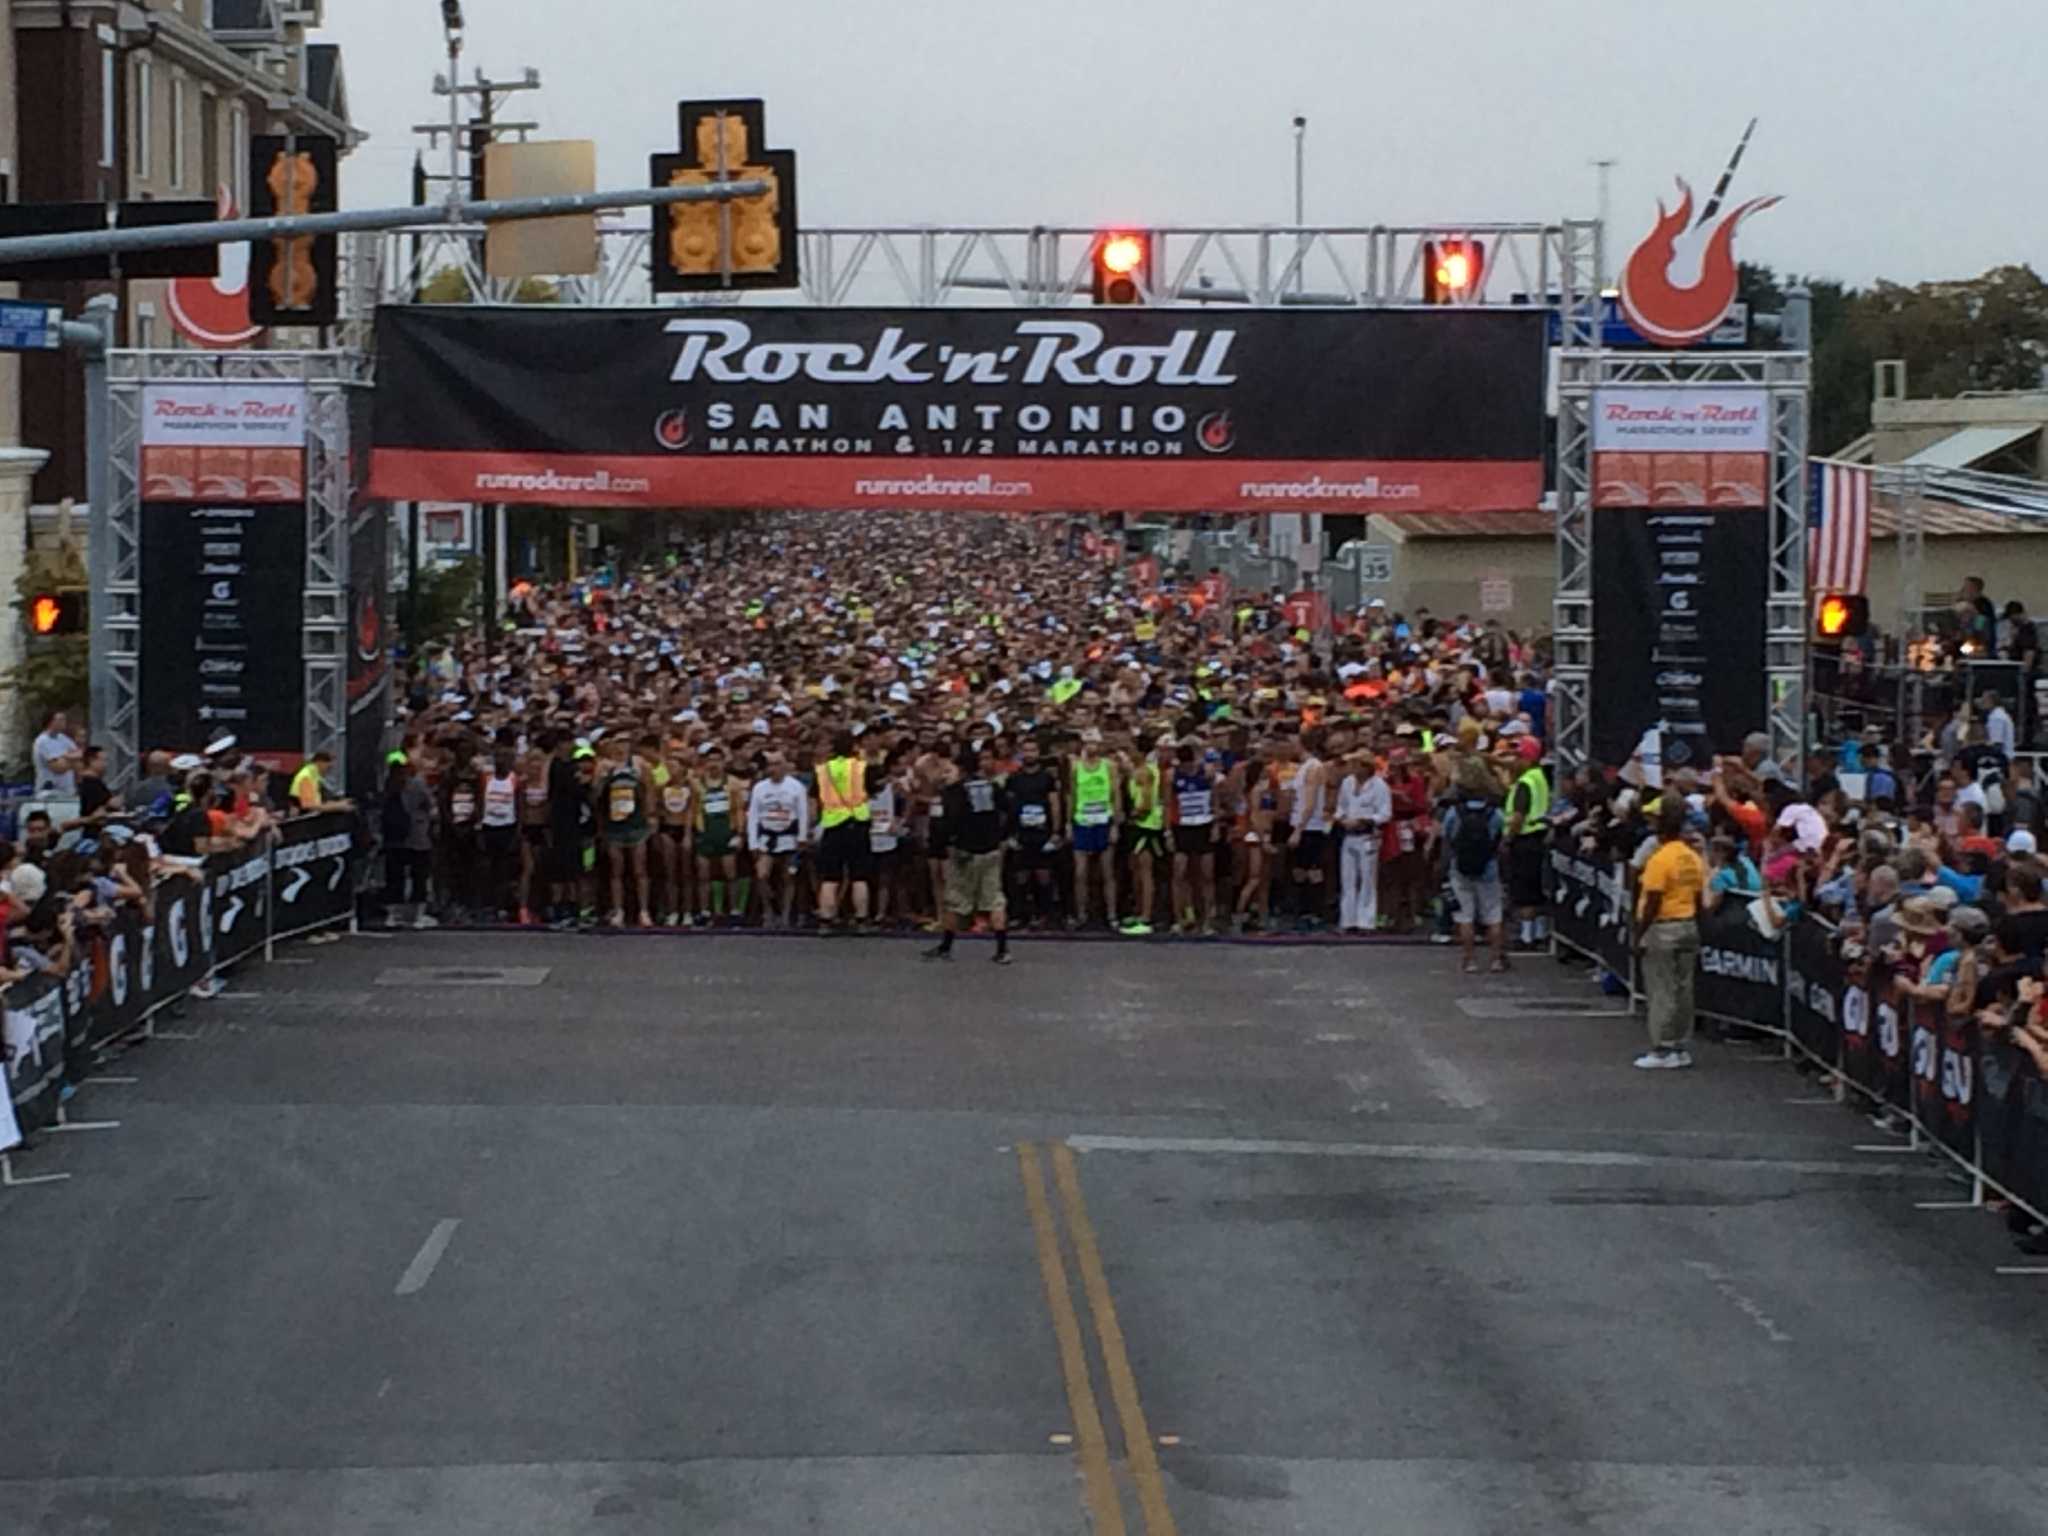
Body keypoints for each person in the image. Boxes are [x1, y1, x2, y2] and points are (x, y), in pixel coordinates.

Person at [924, 745, 1013, 966]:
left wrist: (943, 843)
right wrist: (1001, 837)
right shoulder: (991, 787)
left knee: (955, 900)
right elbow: (1010, 810)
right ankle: (1003, 949)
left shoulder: (954, 792)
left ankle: (946, 946)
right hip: (991, 850)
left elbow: (948, 821)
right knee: (994, 899)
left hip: (964, 852)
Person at [1634, 798, 1705, 1070]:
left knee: (1661, 989)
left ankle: (1662, 1047)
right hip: (1687, 924)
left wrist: (1639, 933)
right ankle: (1679, 1045)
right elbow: (1698, 896)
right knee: (1684, 989)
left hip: (1663, 926)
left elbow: (1652, 898)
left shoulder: (1660, 860)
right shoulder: (1692, 857)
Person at [1443, 759, 1507, 974]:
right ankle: (1496, 959)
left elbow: (1449, 836)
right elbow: (1501, 836)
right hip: (1488, 866)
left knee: (1465, 915)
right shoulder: (1495, 813)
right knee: (1493, 913)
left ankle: (1469, 959)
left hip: (1460, 866)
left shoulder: (1455, 813)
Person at [813, 729, 872, 934]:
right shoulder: (861, 767)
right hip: (857, 822)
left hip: (833, 823)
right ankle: (861, 920)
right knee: (859, 876)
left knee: (830, 877)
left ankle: (825, 921)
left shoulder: (824, 769)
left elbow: (816, 798)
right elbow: (872, 789)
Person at [747, 749, 809, 929]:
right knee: (762, 875)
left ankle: (786, 914)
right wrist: (753, 842)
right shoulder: (760, 788)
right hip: (767, 837)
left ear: (785, 766)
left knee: (788, 877)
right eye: (770, 765)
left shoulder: (796, 787)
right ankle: (768, 910)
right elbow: (753, 816)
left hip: (788, 836)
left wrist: (802, 837)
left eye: (777, 764)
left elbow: (802, 813)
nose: (773, 768)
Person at [1335, 746, 1389, 936]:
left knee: (1367, 879)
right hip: (1349, 835)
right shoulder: (1347, 783)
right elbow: (1340, 807)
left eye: (1355, 764)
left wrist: (1365, 820)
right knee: (1347, 879)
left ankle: (1366, 921)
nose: (1352, 767)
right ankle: (1348, 919)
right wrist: (1342, 819)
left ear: (1366, 767)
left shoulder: (1380, 786)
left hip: (1367, 835)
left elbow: (1384, 813)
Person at [1069, 730, 1119, 931]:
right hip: (1082, 821)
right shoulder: (1076, 767)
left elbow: (1115, 795)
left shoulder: (1109, 766)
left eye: (1094, 743)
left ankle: (1112, 915)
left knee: (1107, 871)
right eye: (1087, 743)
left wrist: (1115, 824)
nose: (1091, 747)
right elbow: (1071, 795)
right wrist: (1068, 823)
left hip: (1103, 820)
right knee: (1081, 872)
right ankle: (1082, 914)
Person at [1504, 736, 1550, 950]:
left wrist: (1508, 839)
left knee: (1524, 891)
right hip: (1539, 837)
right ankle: (1540, 933)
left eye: (1518, 756)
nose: (1514, 761)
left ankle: (1526, 937)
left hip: (1525, 839)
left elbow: (1518, 816)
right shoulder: (1540, 777)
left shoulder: (1525, 782)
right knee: (1536, 888)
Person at [1169, 738, 1219, 934]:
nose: (1188, 767)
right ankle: (1180, 919)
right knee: (1180, 873)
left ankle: (1207, 920)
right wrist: (1168, 832)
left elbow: (1214, 800)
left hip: (1204, 825)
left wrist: (1215, 825)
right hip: (1182, 827)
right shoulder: (1172, 776)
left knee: (1206, 875)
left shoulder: (1207, 774)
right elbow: (1168, 804)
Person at [32, 710, 78, 796]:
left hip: (68, 791)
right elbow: (58, 768)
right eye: (60, 719)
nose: (64, 722)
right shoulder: (43, 741)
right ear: (50, 722)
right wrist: (72, 759)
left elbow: (79, 754)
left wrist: (65, 757)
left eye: (64, 719)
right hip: (50, 793)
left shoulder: (63, 738)